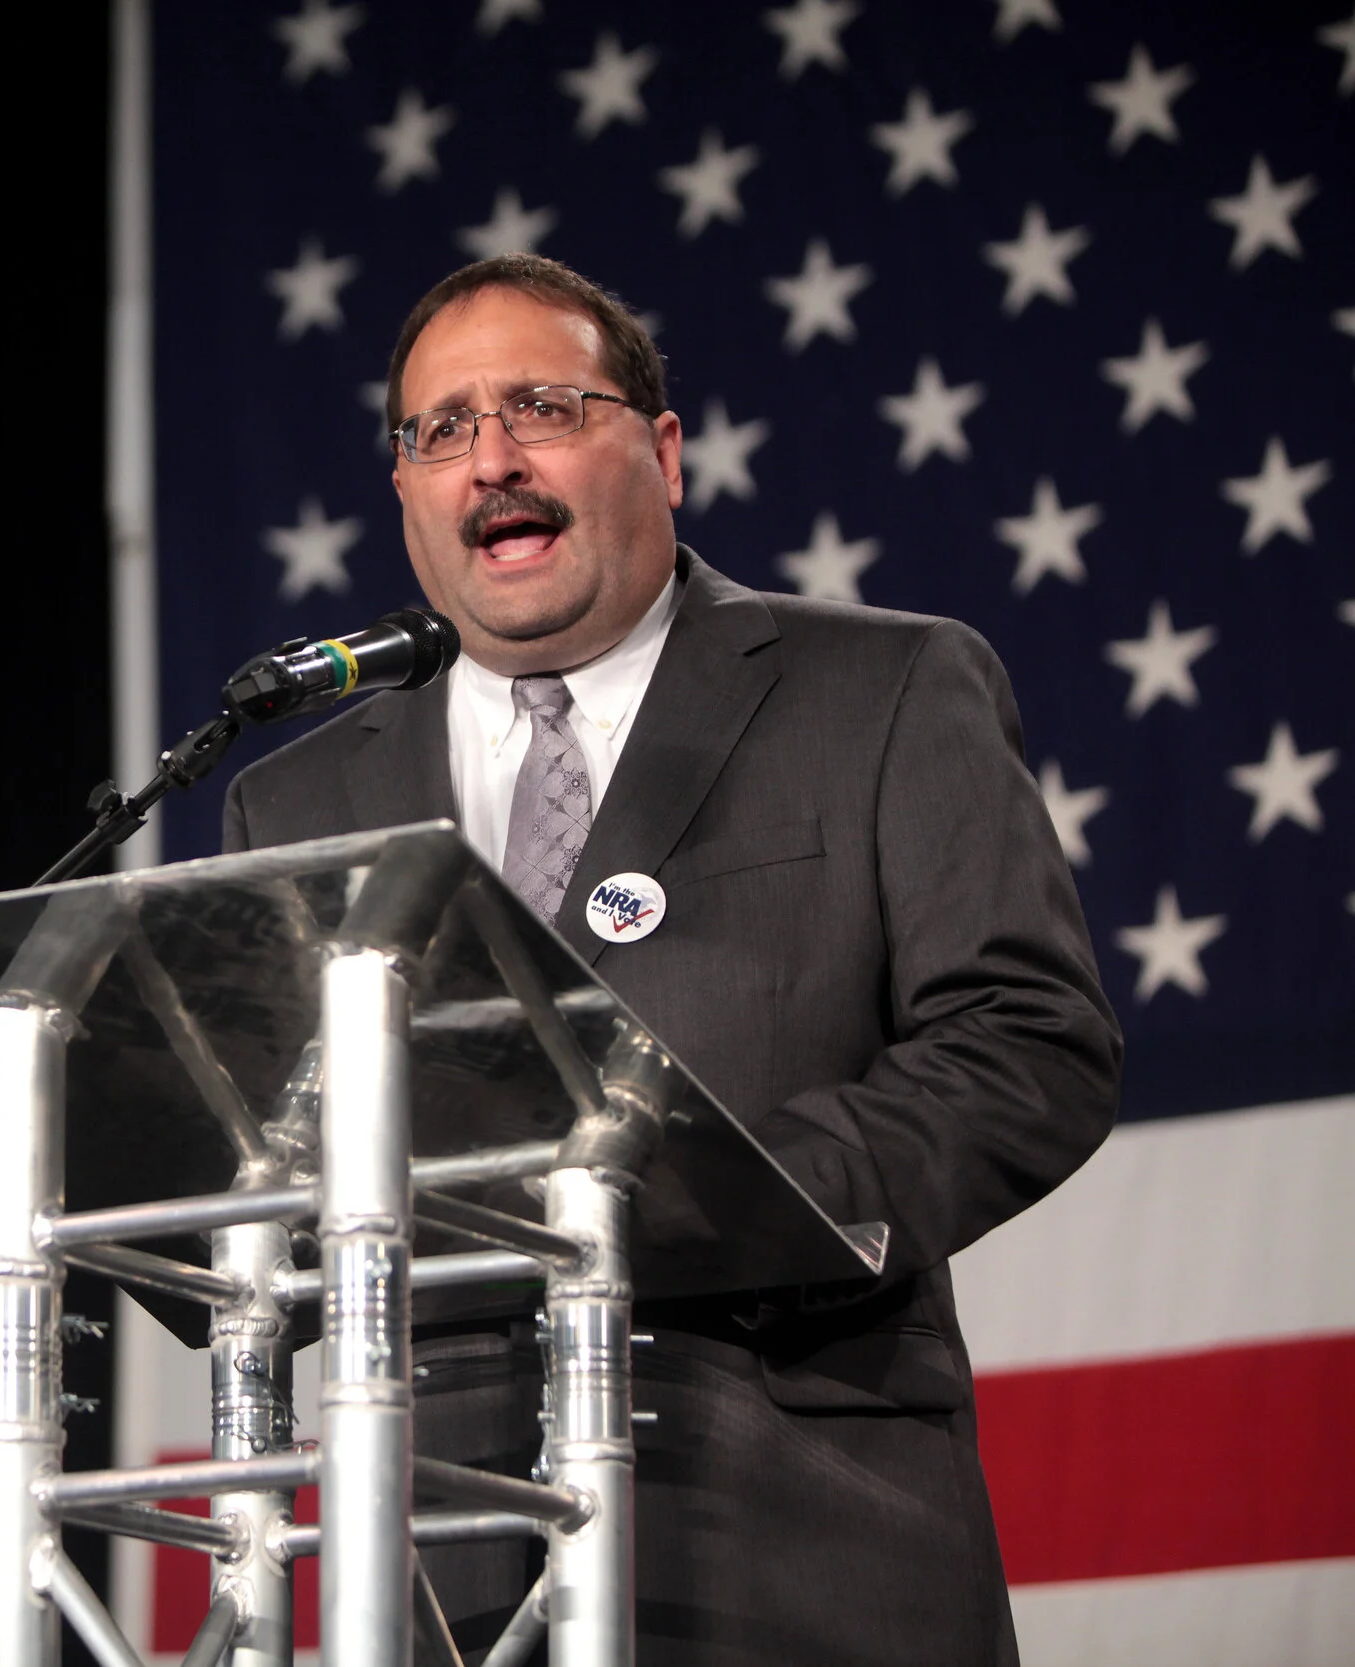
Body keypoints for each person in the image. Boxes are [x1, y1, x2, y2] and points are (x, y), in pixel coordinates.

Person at [223, 254, 1121, 1665]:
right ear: (404, 488)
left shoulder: (883, 690)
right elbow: (262, 1162)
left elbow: (1025, 1046)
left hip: (797, 1528)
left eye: (540, 407)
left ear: (660, 451)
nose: (493, 461)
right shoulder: (291, 803)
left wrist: (712, 1203)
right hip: (428, 1563)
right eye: (440, 428)